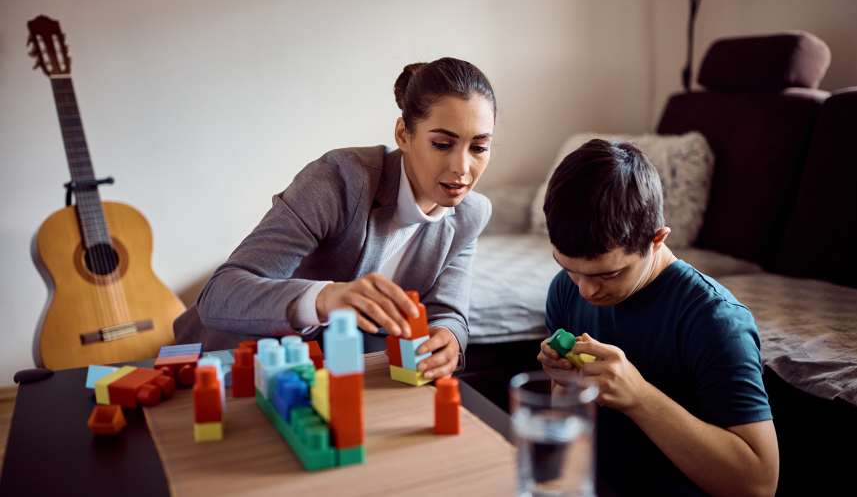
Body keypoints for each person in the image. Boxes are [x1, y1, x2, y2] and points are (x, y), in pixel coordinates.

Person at [174, 57, 496, 378]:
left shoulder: (470, 214)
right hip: (225, 366)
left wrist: (451, 338)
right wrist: (325, 298)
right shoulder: (341, 179)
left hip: (331, 376)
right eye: (441, 144)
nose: (462, 168)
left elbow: (448, 309)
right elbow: (219, 295)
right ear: (403, 135)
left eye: (479, 148)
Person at [536, 139, 779, 496]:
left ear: (656, 240)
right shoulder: (564, 289)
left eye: (608, 274)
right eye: (570, 268)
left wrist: (639, 398)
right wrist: (565, 383)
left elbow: (758, 483)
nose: (586, 290)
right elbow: (568, 425)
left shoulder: (714, 320)